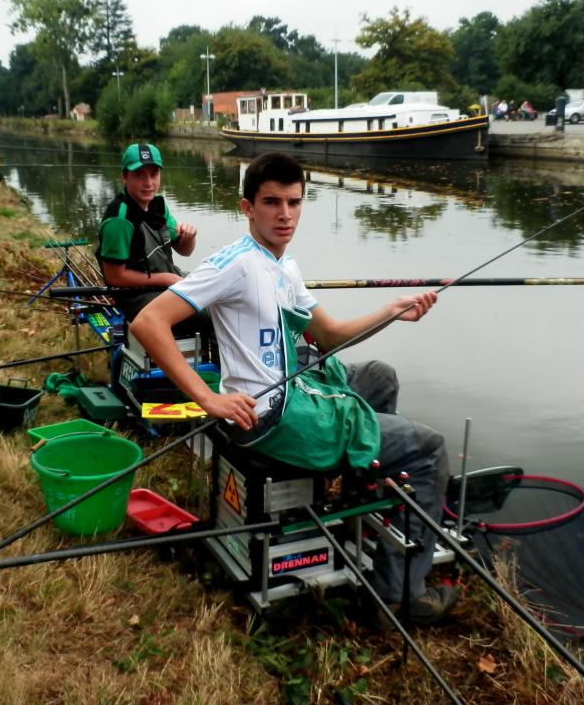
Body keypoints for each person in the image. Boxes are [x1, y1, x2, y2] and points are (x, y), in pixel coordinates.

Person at [131, 153, 457, 627]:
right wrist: (207, 398)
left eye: (294, 203)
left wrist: (392, 311)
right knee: (430, 449)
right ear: (247, 207)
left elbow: (328, 336)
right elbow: (148, 322)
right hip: (271, 419)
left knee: (380, 375)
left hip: (290, 385)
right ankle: (398, 597)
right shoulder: (238, 263)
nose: (284, 214)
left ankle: (357, 489)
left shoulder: (284, 266)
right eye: (271, 203)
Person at [95, 143, 197, 323]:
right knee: (209, 312)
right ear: (124, 177)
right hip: (135, 297)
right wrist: (166, 279)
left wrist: (190, 236)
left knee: (220, 293)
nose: (148, 183)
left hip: (166, 283)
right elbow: (115, 277)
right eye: (139, 175)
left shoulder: (157, 205)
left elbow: (185, 251)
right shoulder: (119, 219)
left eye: (154, 174)